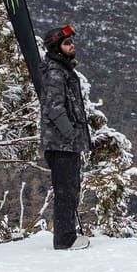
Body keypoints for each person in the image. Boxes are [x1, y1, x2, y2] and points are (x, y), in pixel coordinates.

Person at [38, 24, 92, 250]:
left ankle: (68, 234)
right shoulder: (55, 72)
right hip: (61, 144)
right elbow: (53, 107)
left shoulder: (62, 69)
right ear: (56, 47)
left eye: (72, 42)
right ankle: (64, 239)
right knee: (66, 191)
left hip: (64, 143)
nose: (72, 46)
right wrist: (70, 134)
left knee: (70, 189)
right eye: (67, 43)